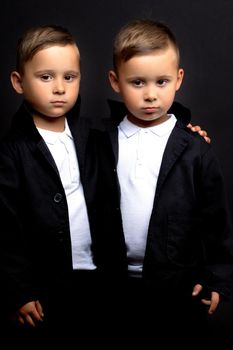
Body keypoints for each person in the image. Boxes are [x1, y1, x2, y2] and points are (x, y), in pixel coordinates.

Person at [0, 23, 211, 347]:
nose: (59, 88)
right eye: (46, 77)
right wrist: (19, 290)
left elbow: (148, 120)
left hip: (102, 277)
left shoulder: (91, 134)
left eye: (69, 77)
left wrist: (183, 126)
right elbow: (7, 228)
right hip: (48, 281)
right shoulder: (13, 150)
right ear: (18, 82)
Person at [90, 19, 233, 348]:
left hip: (176, 286)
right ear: (115, 81)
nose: (150, 94)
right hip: (110, 285)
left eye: (162, 81)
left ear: (179, 79)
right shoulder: (98, 141)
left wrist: (217, 278)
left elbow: (216, 221)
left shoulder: (194, 148)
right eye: (137, 82)